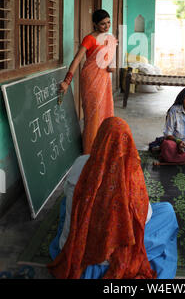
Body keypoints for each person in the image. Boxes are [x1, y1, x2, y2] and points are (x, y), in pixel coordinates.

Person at [47, 117, 178, 280]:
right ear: (128, 142)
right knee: (166, 212)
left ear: (99, 138)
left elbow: (69, 193)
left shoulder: (80, 162)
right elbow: (143, 217)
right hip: (114, 256)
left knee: (66, 204)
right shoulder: (132, 174)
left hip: (76, 248)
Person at [60, 9, 117, 154]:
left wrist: (112, 63)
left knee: (105, 113)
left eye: (108, 22)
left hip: (104, 79)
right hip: (91, 79)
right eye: (103, 24)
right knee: (93, 115)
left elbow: (111, 66)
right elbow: (77, 59)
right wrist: (67, 80)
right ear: (95, 24)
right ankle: (90, 151)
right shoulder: (89, 39)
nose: (107, 26)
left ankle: (102, 146)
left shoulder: (110, 39)